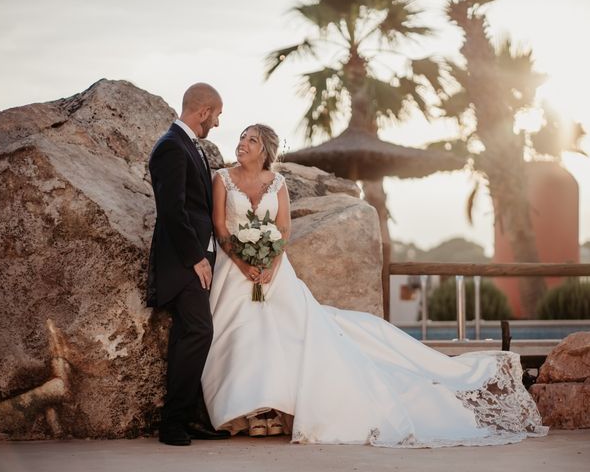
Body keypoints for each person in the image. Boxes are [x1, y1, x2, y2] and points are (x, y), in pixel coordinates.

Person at [201, 123, 548, 447]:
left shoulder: (276, 184)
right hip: (235, 269)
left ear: (265, 151)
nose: (242, 144)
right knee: (242, 331)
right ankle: (246, 411)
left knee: (287, 332)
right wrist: (247, 265)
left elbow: (285, 230)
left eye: (251, 140)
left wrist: (269, 264)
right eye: (242, 138)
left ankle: (275, 409)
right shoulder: (222, 179)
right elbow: (221, 227)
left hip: (274, 271)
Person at [146, 83, 229, 446]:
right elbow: (172, 211)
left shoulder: (187, 145)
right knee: (199, 331)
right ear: (204, 111)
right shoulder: (170, 147)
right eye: (217, 116)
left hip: (196, 257)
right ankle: (173, 423)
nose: (217, 124)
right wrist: (197, 258)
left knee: (188, 334)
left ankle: (186, 418)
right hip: (183, 261)